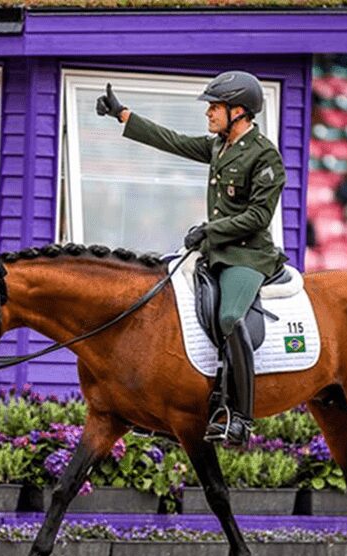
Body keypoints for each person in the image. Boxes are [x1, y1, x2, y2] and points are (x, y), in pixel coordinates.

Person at [96, 71, 287, 445]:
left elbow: (258, 217)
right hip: (212, 253)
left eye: (215, 107)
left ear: (239, 112)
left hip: (247, 257)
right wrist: (124, 116)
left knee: (230, 318)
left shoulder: (265, 155)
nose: (209, 114)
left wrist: (208, 231)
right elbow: (175, 142)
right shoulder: (219, 146)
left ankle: (240, 418)